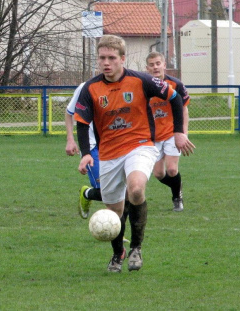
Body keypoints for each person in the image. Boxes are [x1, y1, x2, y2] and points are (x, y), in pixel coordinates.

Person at [74, 35, 194, 272]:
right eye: (102, 58)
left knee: (136, 188)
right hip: (108, 153)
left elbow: (175, 97)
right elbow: (81, 122)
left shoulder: (142, 80)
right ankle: (118, 252)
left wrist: (179, 132)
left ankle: (136, 249)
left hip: (140, 145)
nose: (106, 63)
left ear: (122, 59)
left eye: (111, 58)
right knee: (115, 211)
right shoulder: (90, 89)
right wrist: (86, 153)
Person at [145, 52, 190, 211]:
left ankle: (177, 197)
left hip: (172, 133)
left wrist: (183, 133)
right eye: (152, 64)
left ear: (164, 65)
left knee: (172, 169)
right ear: (147, 67)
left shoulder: (175, 84)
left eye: (158, 63)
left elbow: (183, 109)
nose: (155, 67)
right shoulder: (143, 85)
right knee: (158, 174)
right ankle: (177, 186)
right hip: (153, 136)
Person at [65, 82, 102, 219]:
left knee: (122, 191)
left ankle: (117, 231)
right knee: (105, 192)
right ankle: (86, 194)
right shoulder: (85, 87)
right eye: (103, 58)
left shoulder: (125, 85)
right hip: (92, 147)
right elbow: (69, 113)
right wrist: (70, 139)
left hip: (114, 146)